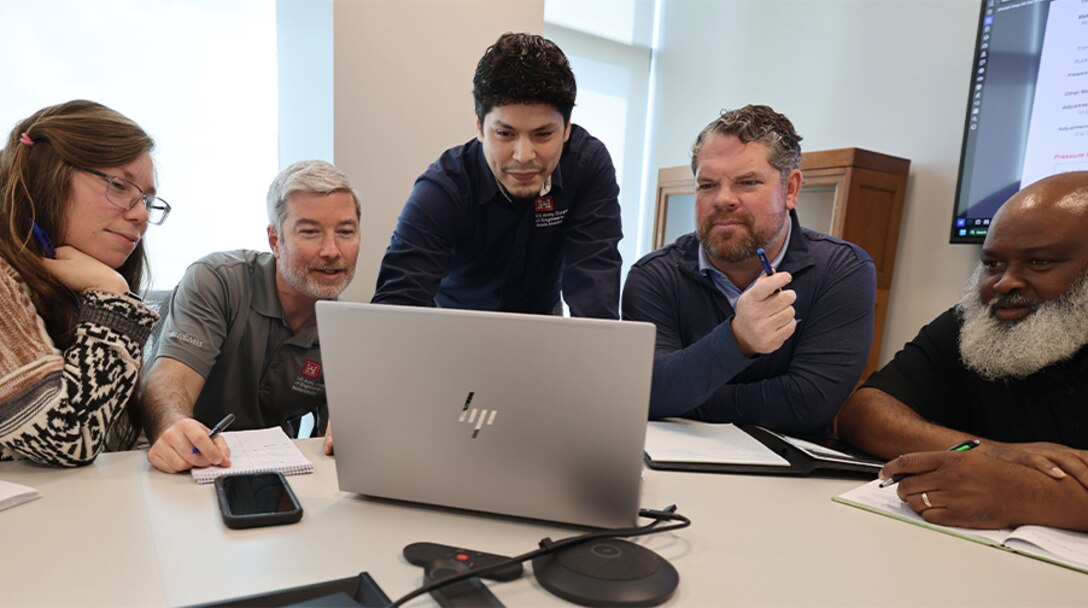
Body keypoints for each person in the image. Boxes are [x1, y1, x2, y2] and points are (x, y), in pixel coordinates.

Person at [837, 171, 1088, 531]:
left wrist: (1022, 493)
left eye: (1039, 262)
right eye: (992, 264)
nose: (1005, 282)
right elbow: (863, 414)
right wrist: (997, 453)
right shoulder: (977, 322)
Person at [622, 105, 876, 435]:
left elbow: (808, 404)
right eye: (707, 185)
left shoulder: (842, 271)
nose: (723, 199)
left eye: (748, 182)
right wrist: (737, 339)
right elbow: (649, 392)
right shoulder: (654, 276)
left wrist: (685, 394)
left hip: (789, 464)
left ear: (790, 190)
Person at [372, 32, 622, 318]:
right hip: (454, 320)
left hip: (544, 321)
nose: (523, 156)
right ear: (479, 126)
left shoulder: (587, 166)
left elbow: (594, 287)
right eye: (505, 133)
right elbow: (397, 304)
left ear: (566, 130)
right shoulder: (444, 187)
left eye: (543, 134)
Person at [141, 160, 360, 473]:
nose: (331, 250)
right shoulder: (218, 281)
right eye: (310, 232)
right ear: (275, 241)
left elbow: (336, 441)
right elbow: (170, 378)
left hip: (268, 474)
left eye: (345, 232)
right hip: (176, 464)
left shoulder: (347, 332)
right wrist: (173, 424)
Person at [0, 100, 166, 466]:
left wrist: (167, 438)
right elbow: (63, 440)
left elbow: (111, 432)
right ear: (49, 175)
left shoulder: (75, 286)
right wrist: (112, 297)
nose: (141, 215)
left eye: (147, 201)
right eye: (119, 186)